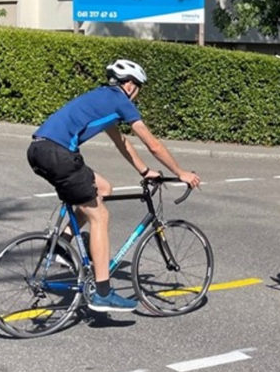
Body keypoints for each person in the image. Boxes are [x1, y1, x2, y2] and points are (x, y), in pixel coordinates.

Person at [27, 59, 201, 312]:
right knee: (100, 216)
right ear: (130, 85)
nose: (137, 96)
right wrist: (181, 172)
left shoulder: (101, 98)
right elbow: (152, 143)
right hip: (60, 154)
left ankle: (61, 246)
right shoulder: (120, 100)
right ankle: (103, 292)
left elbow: (123, 143)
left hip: (38, 150)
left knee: (104, 188)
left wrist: (144, 170)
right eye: (139, 88)